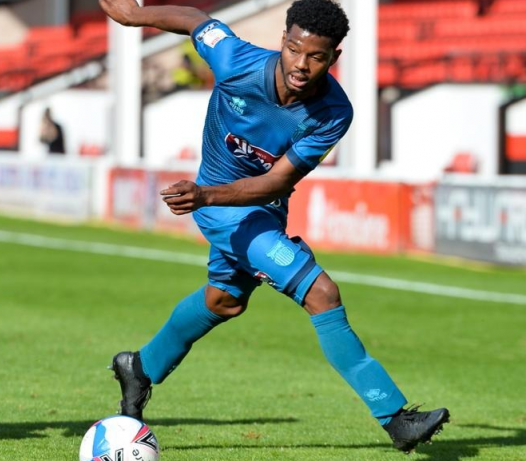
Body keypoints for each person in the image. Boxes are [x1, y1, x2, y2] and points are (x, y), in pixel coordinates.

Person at [99, 0, 449, 453]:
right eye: (293, 49)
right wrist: (136, 16)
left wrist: (206, 194)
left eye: (316, 56)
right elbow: (198, 23)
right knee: (322, 293)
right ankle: (395, 417)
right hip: (221, 210)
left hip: (254, 205)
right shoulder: (235, 60)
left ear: (334, 57)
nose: (301, 65)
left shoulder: (333, 113)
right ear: (283, 41)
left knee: (224, 301)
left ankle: (140, 367)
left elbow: (274, 182)